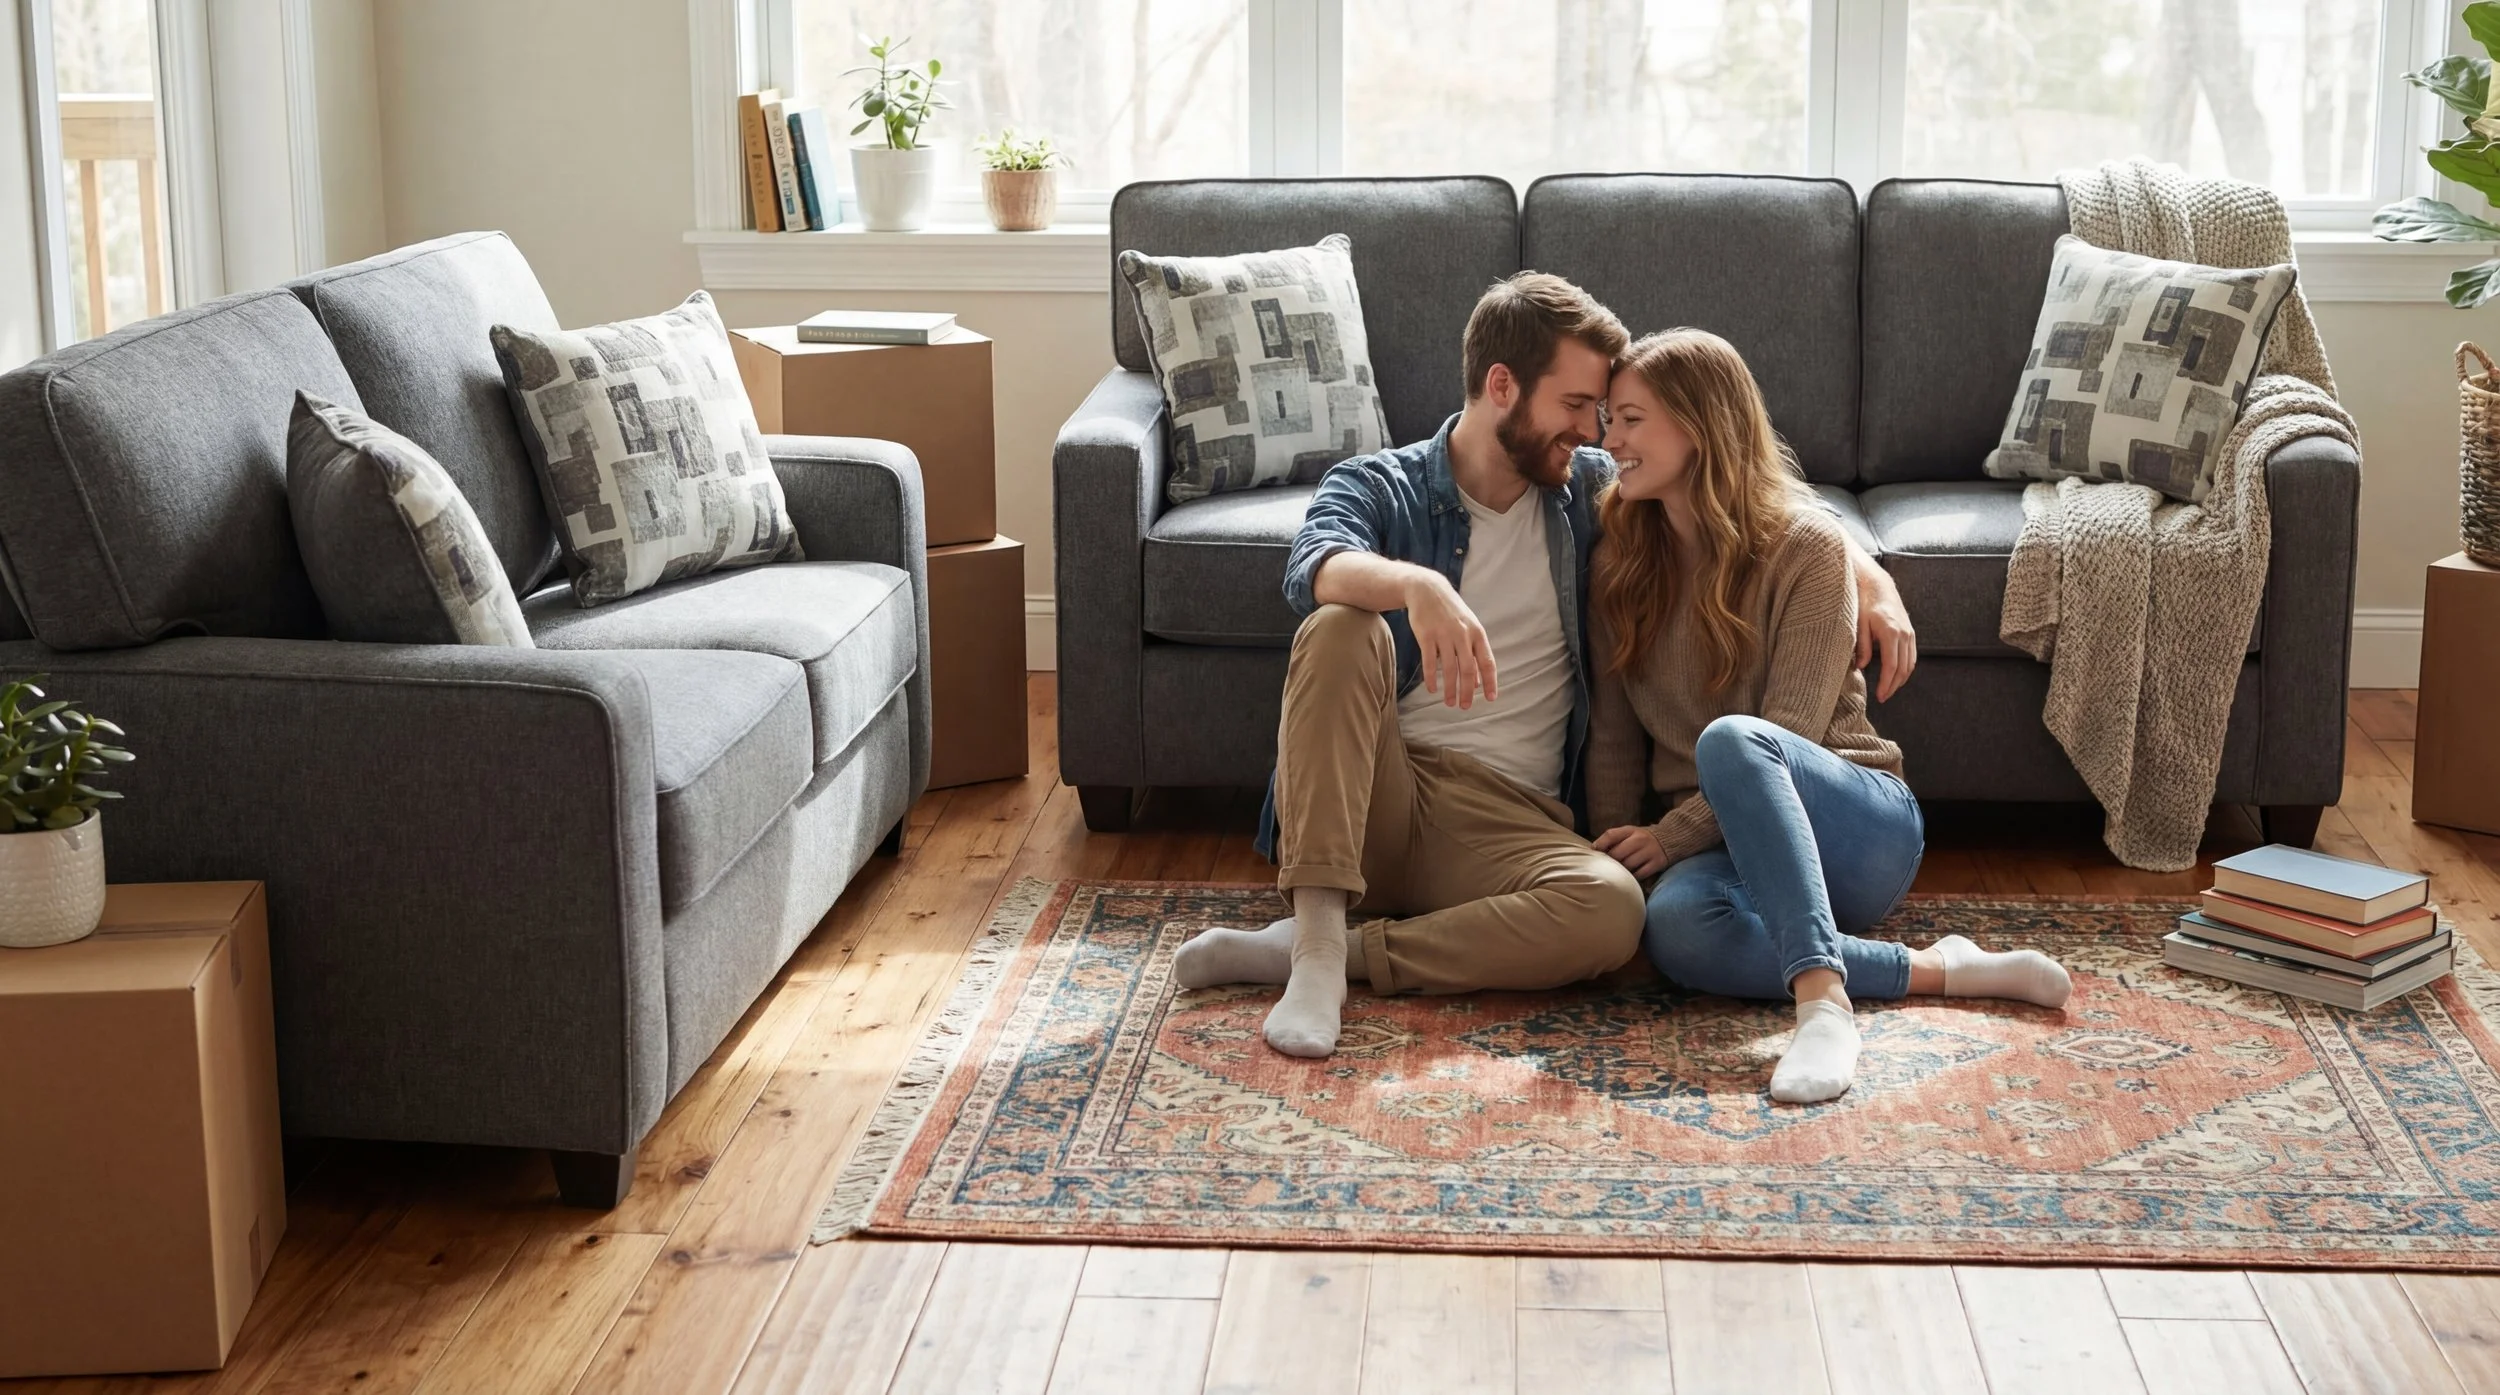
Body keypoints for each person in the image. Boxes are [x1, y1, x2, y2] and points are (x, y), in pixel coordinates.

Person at [1174, 275, 1921, 1060]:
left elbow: (1745, 490)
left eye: (1608, 414)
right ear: (1503, 386)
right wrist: (1417, 586)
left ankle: (1336, 954)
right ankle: (1318, 949)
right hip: (1379, 793)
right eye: (1577, 405)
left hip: (1511, 824)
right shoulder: (1379, 484)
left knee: (1614, 911)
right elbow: (1314, 564)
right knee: (1338, 625)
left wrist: (1867, 572)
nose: (1595, 431)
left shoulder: (1588, 491)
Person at [1586, 328, 2072, 1104]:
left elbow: (1791, 733)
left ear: (1700, 424)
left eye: (1631, 420)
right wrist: (1616, 859)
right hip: (1729, 843)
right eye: (1609, 420)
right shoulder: (1619, 559)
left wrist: (1667, 836)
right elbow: (1613, 735)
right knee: (1676, 929)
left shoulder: (1807, 545)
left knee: (1735, 741)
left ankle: (1822, 1006)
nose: (1610, 441)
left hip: (1856, 824)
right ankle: (1940, 969)